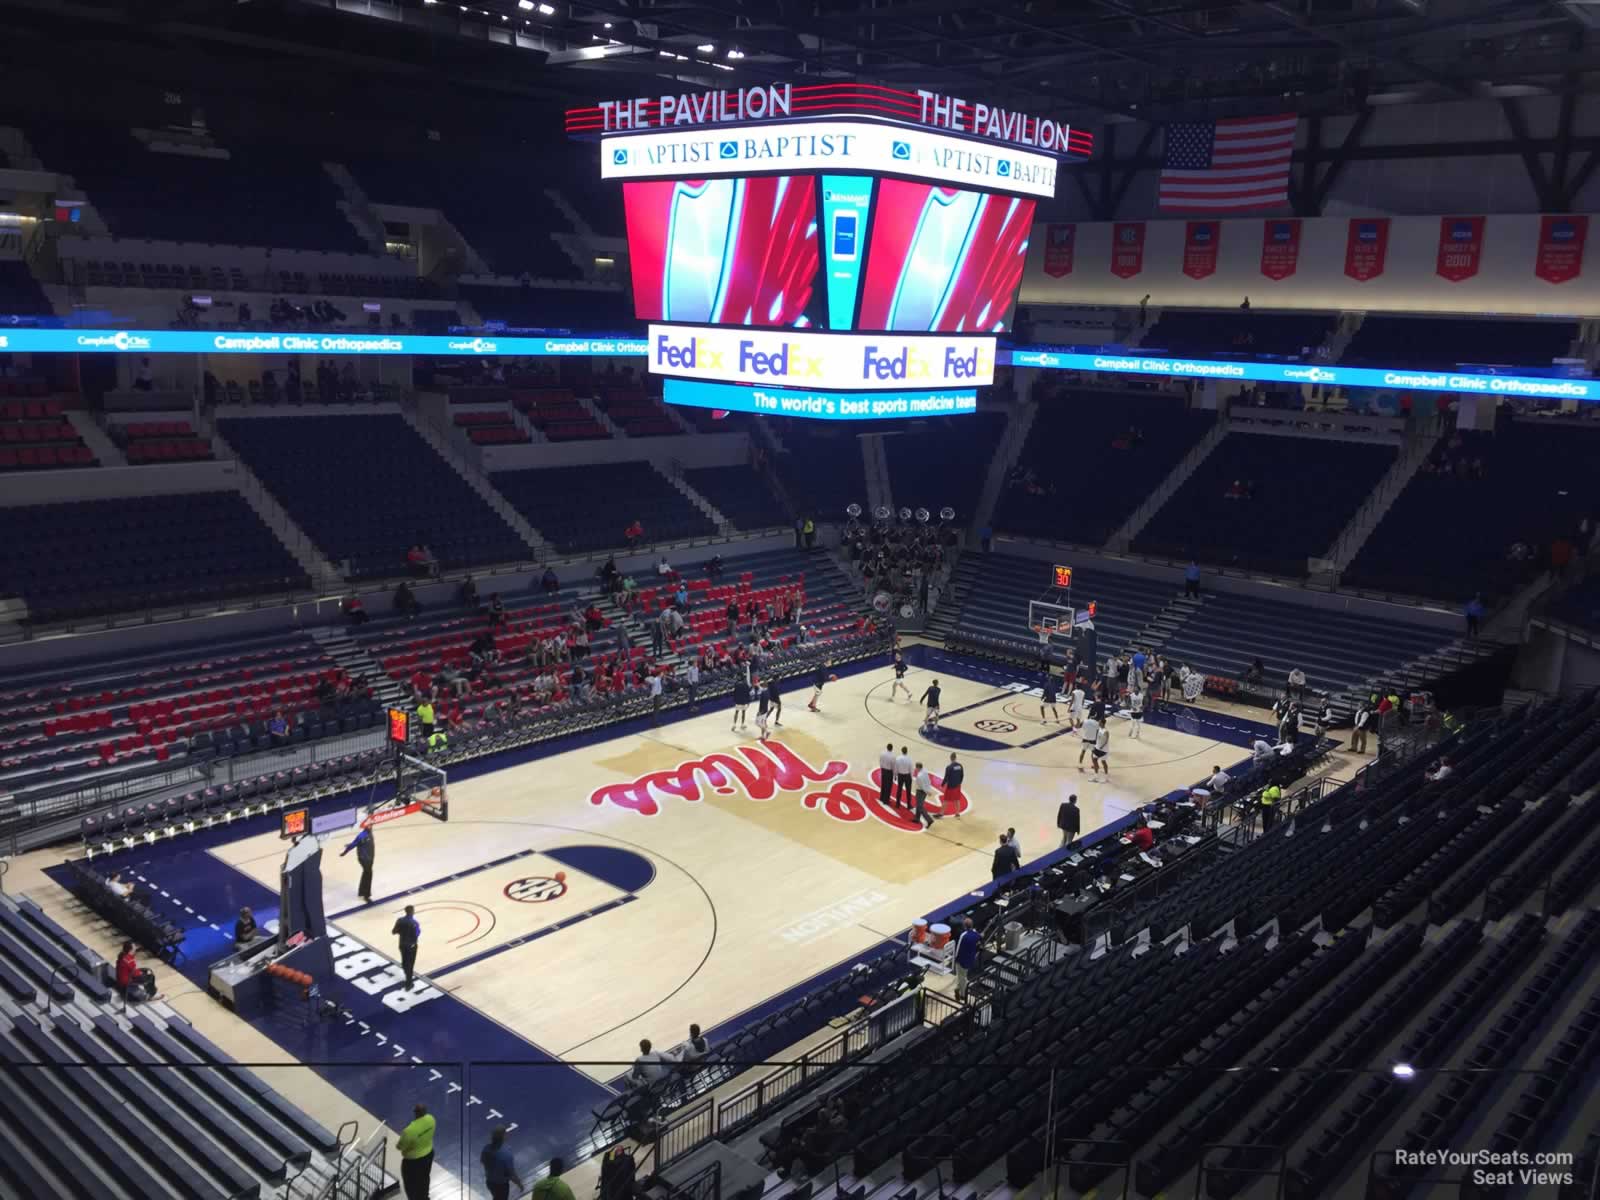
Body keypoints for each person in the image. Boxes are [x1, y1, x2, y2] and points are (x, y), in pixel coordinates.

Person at [397, 1103, 436, 1200]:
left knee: (411, 1186)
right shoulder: (431, 1119)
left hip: (413, 1163)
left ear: (415, 1113)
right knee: (425, 1179)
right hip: (428, 1155)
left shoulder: (410, 1130)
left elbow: (400, 1146)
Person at [481, 1127, 522, 1200]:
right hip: (501, 1185)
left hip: (490, 1182)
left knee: (496, 1197)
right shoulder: (506, 1155)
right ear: (503, 1137)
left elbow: (482, 1161)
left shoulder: (486, 1148)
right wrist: (519, 1184)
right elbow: (511, 1174)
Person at [393, 904, 421, 988]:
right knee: (410, 964)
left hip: (402, 944)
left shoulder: (399, 920)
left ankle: (406, 972)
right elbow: (417, 934)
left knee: (405, 962)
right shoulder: (415, 923)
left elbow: (394, 931)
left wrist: (402, 932)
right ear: (412, 912)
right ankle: (408, 982)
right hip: (411, 946)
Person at [345, 826, 376, 902]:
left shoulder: (370, 832)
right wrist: (345, 851)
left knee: (366, 874)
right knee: (368, 875)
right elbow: (354, 844)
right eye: (369, 825)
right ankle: (366, 895)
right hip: (364, 859)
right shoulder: (362, 835)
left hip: (370, 858)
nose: (371, 826)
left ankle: (361, 892)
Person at [953, 917, 980, 1000]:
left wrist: (955, 958)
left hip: (961, 960)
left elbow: (958, 947)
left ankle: (963, 995)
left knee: (962, 977)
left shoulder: (963, 935)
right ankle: (957, 989)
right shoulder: (976, 935)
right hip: (970, 959)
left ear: (964, 926)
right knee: (962, 976)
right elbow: (979, 943)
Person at [911, 762, 934, 829]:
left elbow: (922, 786)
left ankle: (929, 820)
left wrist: (927, 792)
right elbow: (928, 781)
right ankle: (917, 818)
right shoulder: (925, 771)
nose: (915, 769)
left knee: (920, 806)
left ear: (918, 767)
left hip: (920, 791)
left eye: (916, 767)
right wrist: (928, 790)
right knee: (919, 805)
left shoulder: (919, 776)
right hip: (925, 791)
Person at [943, 752, 965, 820]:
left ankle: (941, 813)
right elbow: (962, 775)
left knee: (946, 800)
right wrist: (959, 782)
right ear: (955, 758)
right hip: (957, 786)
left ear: (950, 758)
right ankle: (957, 813)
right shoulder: (960, 766)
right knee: (957, 800)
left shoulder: (949, 767)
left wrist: (942, 784)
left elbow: (946, 777)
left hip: (950, 786)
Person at [893, 745, 914, 809]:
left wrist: (895, 775)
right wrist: (911, 776)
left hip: (900, 775)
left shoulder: (898, 758)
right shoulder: (909, 759)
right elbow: (911, 769)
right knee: (908, 791)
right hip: (907, 776)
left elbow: (896, 767)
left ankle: (897, 804)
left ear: (902, 751)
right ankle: (909, 805)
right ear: (906, 751)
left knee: (899, 790)